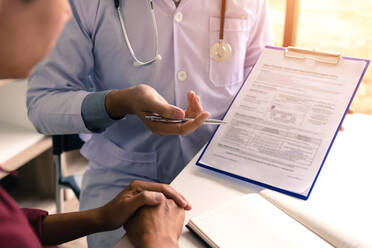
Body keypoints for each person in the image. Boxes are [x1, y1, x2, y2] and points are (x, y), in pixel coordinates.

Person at [27, 0, 275, 246]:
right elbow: (42, 103)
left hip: (220, 174)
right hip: (123, 177)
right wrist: (118, 103)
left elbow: (265, 80)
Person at [0, 0, 191, 247]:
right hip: (123, 174)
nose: (67, 9)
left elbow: (15, 226)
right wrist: (158, 239)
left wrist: (102, 217)